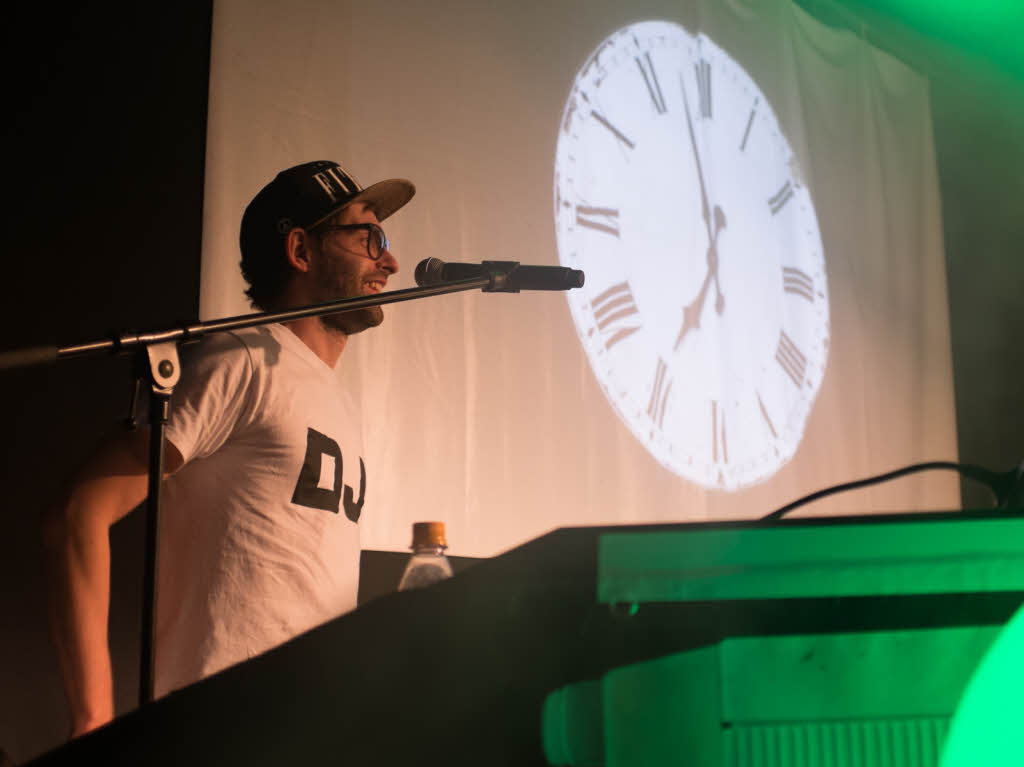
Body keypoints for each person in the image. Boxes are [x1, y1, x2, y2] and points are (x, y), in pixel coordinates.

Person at [43, 161, 414, 737]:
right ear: (301, 250)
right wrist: (93, 722)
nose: (388, 261)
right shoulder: (241, 358)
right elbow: (79, 513)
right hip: (218, 732)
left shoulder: (334, 398)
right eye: (368, 236)